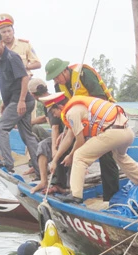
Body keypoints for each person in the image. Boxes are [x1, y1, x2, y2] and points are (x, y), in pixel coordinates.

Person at [38, 93, 138, 204]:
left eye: (54, 112)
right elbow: (68, 138)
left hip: (113, 133)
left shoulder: (71, 113)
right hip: (127, 133)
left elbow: (80, 141)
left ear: (60, 106)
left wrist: (71, 155)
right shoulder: (78, 108)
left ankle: (76, 195)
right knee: (120, 157)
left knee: (79, 156)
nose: (54, 116)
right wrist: (55, 160)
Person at [45, 58, 119, 202]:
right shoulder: (59, 87)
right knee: (67, 147)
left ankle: (111, 197)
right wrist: (67, 130)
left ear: (64, 70)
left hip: (103, 119)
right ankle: (69, 188)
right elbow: (67, 110)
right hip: (82, 122)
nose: (56, 80)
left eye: (57, 76)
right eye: (53, 78)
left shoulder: (83, 74)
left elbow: (100, 97)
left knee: (106, 156)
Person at [0, 29, 40, 176]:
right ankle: (40, 168)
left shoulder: (11, 57)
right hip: (16, 100)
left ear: (2, 42)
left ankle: (8, 163)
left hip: (21, 101)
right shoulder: (1, 59)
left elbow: (24, 78)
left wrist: (20, 101)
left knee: (1, 127)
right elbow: (8, 83)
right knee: (26, 135)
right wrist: (5, 102)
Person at [28, 79, 68, 194]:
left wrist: (54, 149)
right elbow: (45, 118)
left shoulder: (51, 102)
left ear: (33, 95)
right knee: (36, 131)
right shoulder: (48, 102)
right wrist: (29, 122)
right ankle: (43, 179)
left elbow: (55, 127)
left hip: (65, 136)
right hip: (63, 135)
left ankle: (46, 181)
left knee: (44, 145)